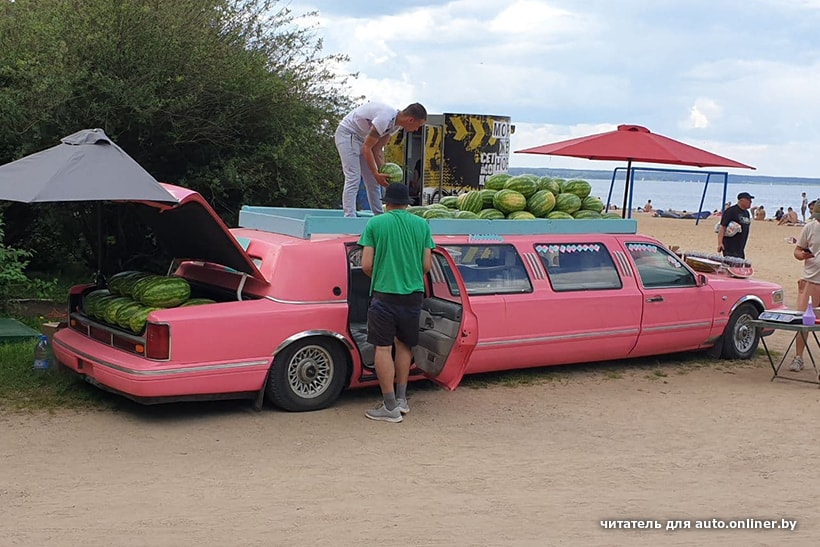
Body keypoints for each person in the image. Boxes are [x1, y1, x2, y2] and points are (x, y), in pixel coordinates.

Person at [358, 183, 435, 423]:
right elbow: (426, 266)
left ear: (386, 202)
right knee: (404, 346)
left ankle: (389, 406)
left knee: (383, 348)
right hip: (413, 295)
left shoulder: (375, 224)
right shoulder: (422, 225)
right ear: (407, 203)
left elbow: (366, 265)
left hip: (384, 294)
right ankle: (402, 400)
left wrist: (383, 276)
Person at [335, 102, 427, 217]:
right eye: (418, 126)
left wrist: (383, 172)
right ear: (411, 120)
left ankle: (379, 216)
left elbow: (377, 149)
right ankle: (349, 218)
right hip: (347, 134)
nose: (416, 129)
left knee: (373, 181)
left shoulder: (395, 126)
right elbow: (367, 148)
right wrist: (375, 172)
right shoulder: (385, 118)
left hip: (362, 139)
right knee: (353, 177)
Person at [787, 200, 820, 373]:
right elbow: (797, 250)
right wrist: (802, 255)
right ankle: (798, 357)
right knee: (804, 322)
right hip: (810, 280)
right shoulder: (809, 227)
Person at [717, 192, 753, 259]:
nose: (751, 202)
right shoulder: (731, 211)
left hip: (740, 246)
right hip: (730, 245)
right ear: (741, 200)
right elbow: (722, 227)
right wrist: (720, 243)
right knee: (731, 264)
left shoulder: (746, 213)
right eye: (748, 200)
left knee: (740, 264)